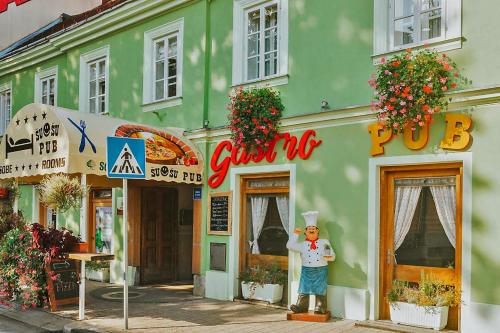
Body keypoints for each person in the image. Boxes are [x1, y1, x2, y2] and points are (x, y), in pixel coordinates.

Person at [286, 211, 335, 314]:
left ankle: (320, 307)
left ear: (317, 232)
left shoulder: (324, 242)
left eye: (314, 229)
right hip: (306, 269)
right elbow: (289, 246)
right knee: (303, 289)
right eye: (309, 229)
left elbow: (332, 256)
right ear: (305, 232)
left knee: (320, 289)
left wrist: (329, 257)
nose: (312, 230)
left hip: (321, 269)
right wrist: (295, 234)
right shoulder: (302, 245)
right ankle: (301, 306)